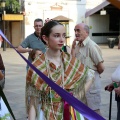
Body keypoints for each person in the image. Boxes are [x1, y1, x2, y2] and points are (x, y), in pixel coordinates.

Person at [26, 20, 95, 120]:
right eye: (57, 35)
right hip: (46, 113)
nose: (62, 40)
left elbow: (90, 75)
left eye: (63, 35)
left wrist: (76, 97)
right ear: (45, 38)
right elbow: (33, 101)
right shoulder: (37, 65)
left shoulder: (70, 60)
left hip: (69, 112)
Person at [71, 23, 105, 115]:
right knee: (82, 113)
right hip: (80, 87)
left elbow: (101, 67)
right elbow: (72, 63)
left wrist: (92, 76)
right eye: (75, 30)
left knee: (94, 113)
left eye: (78, 30)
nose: (76, 33)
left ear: (86, 32)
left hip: (91, 88)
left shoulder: (91, 46)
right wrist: (73, 48)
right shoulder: (78, 45)